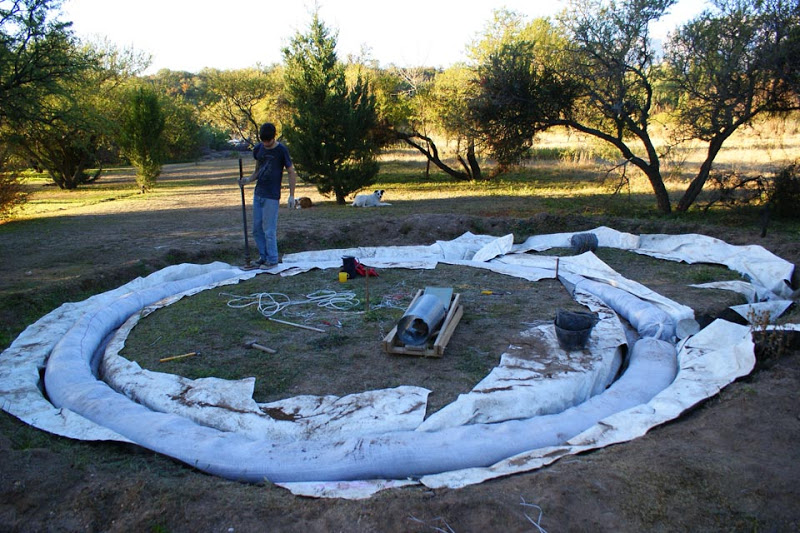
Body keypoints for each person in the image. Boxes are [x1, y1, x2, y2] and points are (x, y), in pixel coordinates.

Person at [238, 123, 297, 268]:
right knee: (256, 229)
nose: (266, 144)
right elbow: (258, 170)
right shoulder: (259, 148)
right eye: (263, 141)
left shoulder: (281, 150)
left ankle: (272, 259)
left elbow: (291, 172)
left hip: (272, 196)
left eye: (268, 141)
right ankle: (263, 257)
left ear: (273, 137)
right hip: (259, 193)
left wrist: (291, 195)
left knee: (269, 230)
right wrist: (247, 180)